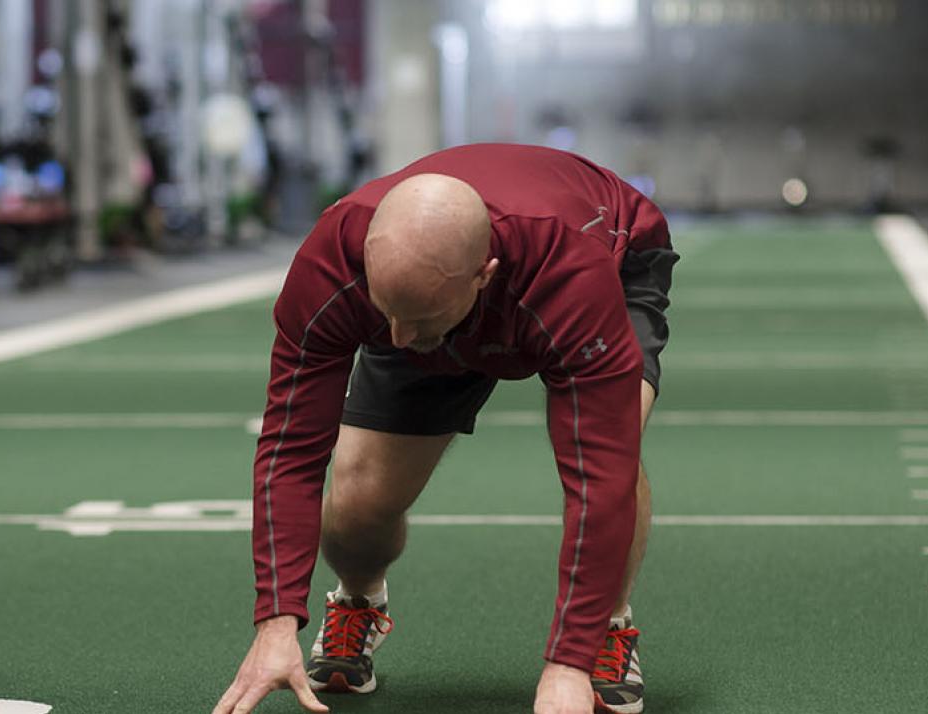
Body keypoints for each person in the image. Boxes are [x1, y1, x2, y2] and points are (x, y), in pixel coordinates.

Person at [214, 144, 677, 714]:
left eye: (418, 322)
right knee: (358, 500)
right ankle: (358, 603)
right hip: (428, 295)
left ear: (484, 276)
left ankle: (607, 628)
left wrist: (568, 663)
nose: (400, 338)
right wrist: (275, 621)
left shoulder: (571, 272)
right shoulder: (336, 266)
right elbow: (290, 448)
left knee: (617, 445)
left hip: (606, 261)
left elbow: (598, 474)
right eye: (388, 315)